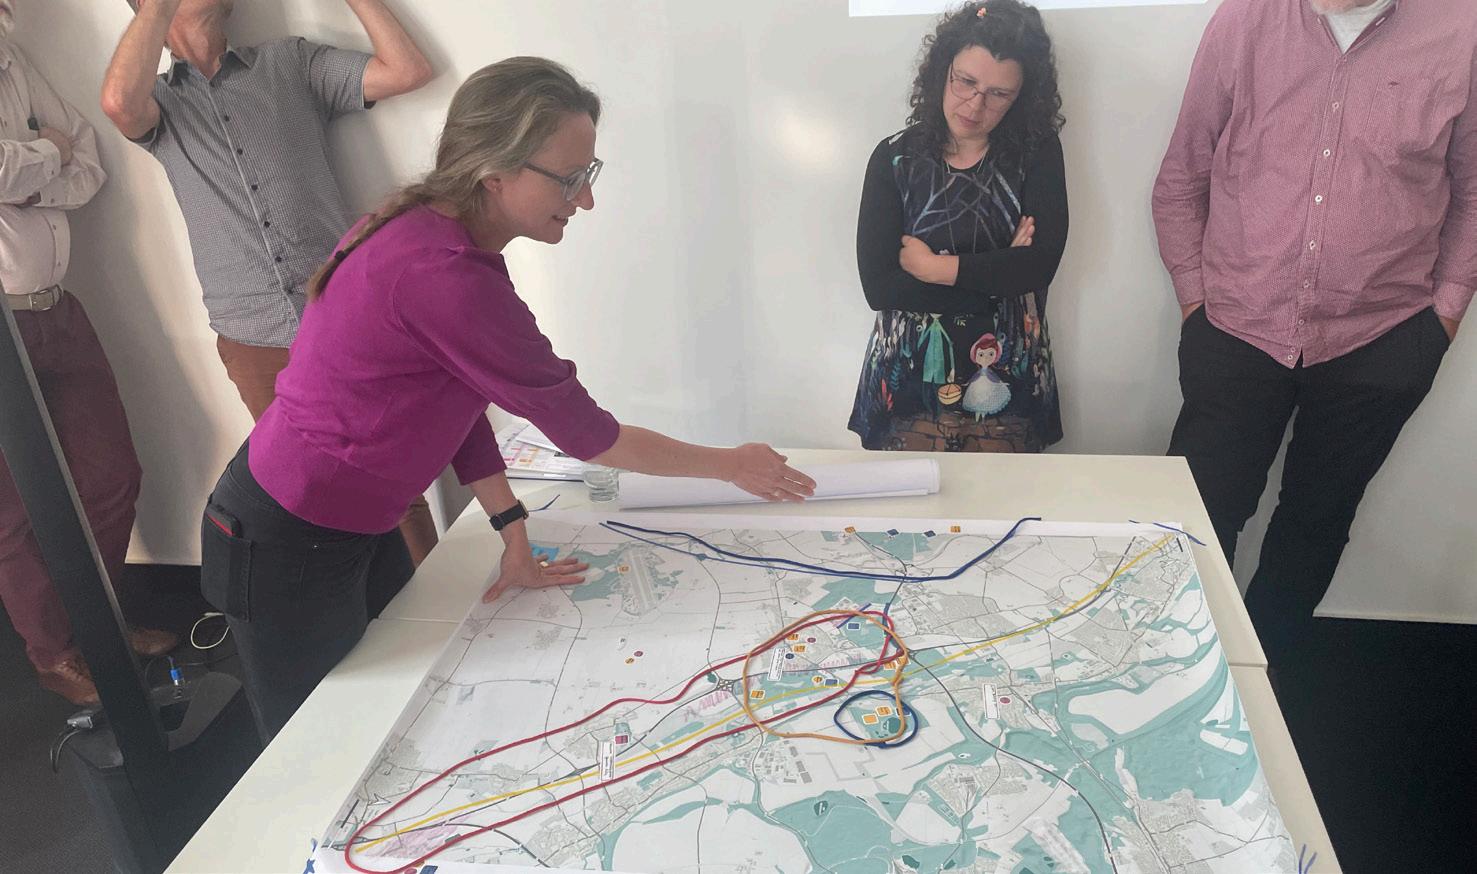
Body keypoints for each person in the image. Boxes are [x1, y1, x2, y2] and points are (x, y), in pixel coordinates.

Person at [198, 57, 818, 741]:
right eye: (569, 178)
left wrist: (510, 530)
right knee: (313, 742)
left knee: (378, 713)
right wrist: (731, 464)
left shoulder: (431, 230)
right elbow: (590, 437)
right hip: (286, 537)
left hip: (345, 524)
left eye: (589, 172)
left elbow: (454, 395)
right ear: (495, 172)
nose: (585, 199)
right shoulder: (443, 275)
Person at [1154, 0, 1473, 669]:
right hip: (1235, 329)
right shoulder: (1243, 21)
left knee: (1315, 525)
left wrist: (1440, 322)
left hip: (1382, 340)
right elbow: (1183, 174)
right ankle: (1180, 671)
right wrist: (1194, 302)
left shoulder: (1461, 31)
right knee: (1199, 516)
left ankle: (1265, 679)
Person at [99, 0, 442, 564]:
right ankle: (359, 607)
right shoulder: (157, 104)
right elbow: (117, 103)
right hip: (251, 336)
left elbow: (408, 71)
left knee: (389, 480)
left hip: (339, 316)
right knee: (314, 490)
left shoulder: (290, 63)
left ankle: (434, 601)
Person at [0, 0, 176, 707]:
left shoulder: (14, 57)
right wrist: (47, 153)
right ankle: (55, 654)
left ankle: (96, 626)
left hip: (57, 307)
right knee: (13, 512)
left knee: (111, 475)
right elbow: (50, 157)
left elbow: (89, 161)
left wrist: (32, 171)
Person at [849, 0, 1068, 454]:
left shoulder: (1036, 155)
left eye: (998, 93)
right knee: (908, 502)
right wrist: (996, 280)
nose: (975, 104)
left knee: (1009, 499)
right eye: (965, 81)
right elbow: (881, 287)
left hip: (1009, 377)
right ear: (942, 71)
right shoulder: (894, 158)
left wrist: (933, 268)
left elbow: (1038, 267)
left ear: (1022, 97)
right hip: (909, 380)